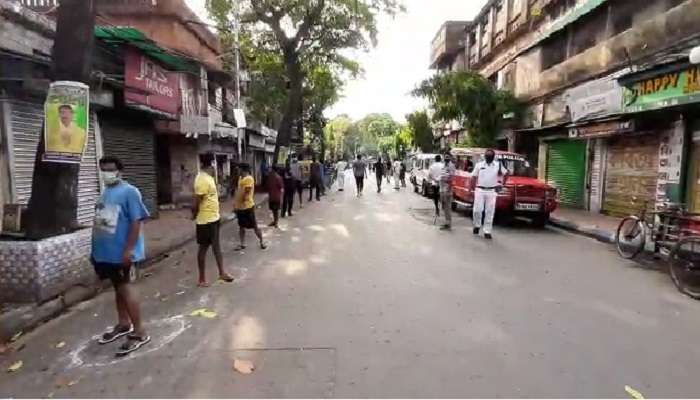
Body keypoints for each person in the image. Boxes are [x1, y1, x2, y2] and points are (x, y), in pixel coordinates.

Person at [91, 156, 150, 356]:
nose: (107, 173)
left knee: (125, 288)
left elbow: (136, 222)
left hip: (122, 253)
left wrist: (128, 250)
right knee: (118, 288)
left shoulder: (130, 192)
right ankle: (123, 323)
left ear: (119, 171)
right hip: (105, 253)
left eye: (110, 169)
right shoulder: (106, 192)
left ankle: (140, 331)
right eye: (104, 169)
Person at [192, 154, 235, 288]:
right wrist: (194, 214)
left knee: (216, 247)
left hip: (213, 218)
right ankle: (201, 279)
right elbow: (197, 201)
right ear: (211, 164)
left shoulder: (208, 178)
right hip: (205, 220)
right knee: (203, 248)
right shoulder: (202, 179)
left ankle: (222, 272)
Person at [471, 149, 508, 240]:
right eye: (487, 156)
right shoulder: (479, 165)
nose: (488, 158)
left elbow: (506, 173)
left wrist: (502, 184)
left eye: (490, 157)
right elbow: (473, 176)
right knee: (477, 210)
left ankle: (487, 231)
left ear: (493, 157)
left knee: (490, 211)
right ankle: (477, 225)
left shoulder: (498, 165)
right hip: (480, 190)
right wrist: (472, 187)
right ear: (485, 156)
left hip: (492, 191)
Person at [234, 163, 267, 250]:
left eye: (239, 169)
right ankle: (242, 244)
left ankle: (262, 242)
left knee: (254, 226)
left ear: (243, 170)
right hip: (240, 207)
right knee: (241, 226)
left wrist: (242, 199)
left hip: (248, 207)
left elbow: (246, 192)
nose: (238, 171)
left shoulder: (249, 179)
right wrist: (236, 204)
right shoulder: (241, 178)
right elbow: (239, 191)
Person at [439, 154, 456, 230]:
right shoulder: (444, 165)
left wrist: (448, 189)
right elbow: (442, 176)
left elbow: (452, 178)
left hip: (447, 189)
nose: (446, 158)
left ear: (450, 158)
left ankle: (448, 223)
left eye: (448, 157)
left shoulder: (451, 166)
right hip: (442, 188)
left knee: (447, 207)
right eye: (445, 157)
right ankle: (447, 222)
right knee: (444, 206)